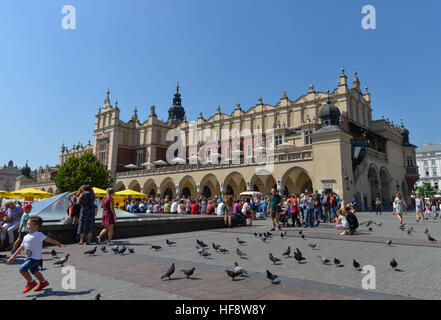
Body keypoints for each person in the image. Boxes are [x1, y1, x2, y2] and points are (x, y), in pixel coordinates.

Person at [7, 216, 65, 293]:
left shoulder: (38, 234)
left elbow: (48, 239)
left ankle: (31, 282)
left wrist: (58, 243)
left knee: (22, 269)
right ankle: (43, 282)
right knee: (35, 272)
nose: (26, 226)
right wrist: (12, 256)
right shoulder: (26, 236)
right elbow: (21, 247)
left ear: (36, 226)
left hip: (35, 258)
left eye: (28, 224)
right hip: (28, 257)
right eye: (27, 224)